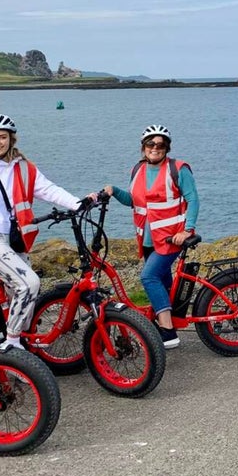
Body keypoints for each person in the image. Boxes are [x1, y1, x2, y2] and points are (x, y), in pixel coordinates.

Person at [0, 114, 95, 351]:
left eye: (2, 137)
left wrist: (78, 203)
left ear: (12, 139)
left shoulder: (24, 167)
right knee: (29, 283)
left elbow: (48, 189)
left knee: (21, 294)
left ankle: (16, 340)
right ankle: (12, 346)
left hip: (15, 239)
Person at [104, 125, 198, 350]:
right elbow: (134, 201)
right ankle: (170, 315)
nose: (155, 148)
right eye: (150, 144)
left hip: (170, 238)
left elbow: (193, 200)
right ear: (143, 147)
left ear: (167, 147)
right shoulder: (138, 170)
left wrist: (187, 230)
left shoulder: (178, 169)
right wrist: (114, 191)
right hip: (147, 240)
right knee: (164, 282)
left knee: (149, 277)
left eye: (161, 144)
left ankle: (168, 330)